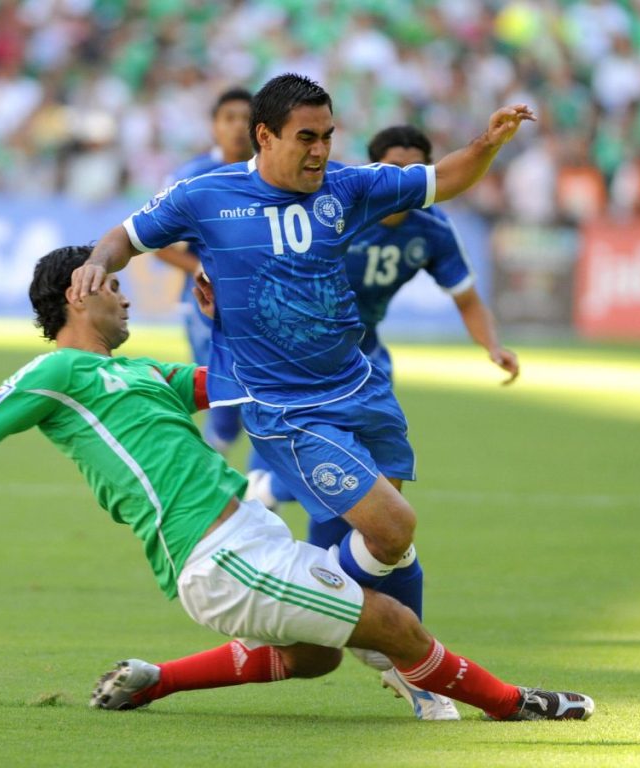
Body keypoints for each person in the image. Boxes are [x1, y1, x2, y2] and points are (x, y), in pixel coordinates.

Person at [0, 245, 594, 723]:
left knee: (317, 657)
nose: (126, 295)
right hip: (217, 557)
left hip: (248, 538)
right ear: (78, 294)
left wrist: (231, 320)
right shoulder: (59, 372)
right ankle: (512, 704)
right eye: (114, 285)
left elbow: (235, 385)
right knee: (392, 624)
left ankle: (156, 683)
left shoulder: (136, 372)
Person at [71, 73, 535, 718]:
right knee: (390, 527)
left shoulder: (348, 186)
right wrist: (101, 261)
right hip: (287, 407)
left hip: (364, 386)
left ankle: (341, 619)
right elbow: (127, 234)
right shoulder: (208, 195)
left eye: (327, 136)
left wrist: (487, 141)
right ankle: (400, 654)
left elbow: (447, 178)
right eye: (306, 138)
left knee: (384, 550)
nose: (320, 150)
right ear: (266, 137)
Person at [248, 125, 521, 543]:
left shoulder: (432, 228)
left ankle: (315, 549)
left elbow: (467, 299)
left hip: (365, 353)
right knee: (318, 452)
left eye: (414, 170)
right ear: (375, 169)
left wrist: (493, 346)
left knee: (367, 472)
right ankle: (265, 489)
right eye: (393, 168)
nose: (402, 180)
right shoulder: (337, 205)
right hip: (300, 352)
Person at [151, 87, 253, 454]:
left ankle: (250, 479)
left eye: (247, 118)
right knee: (224, 397)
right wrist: (198, 266)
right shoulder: (191, 176)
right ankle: (211, 469)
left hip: (262, 304)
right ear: (214, 127)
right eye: (230, 118)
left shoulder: (275, 176)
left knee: (259, 396)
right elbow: (158, 243)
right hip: (206, 306)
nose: (239, 127)